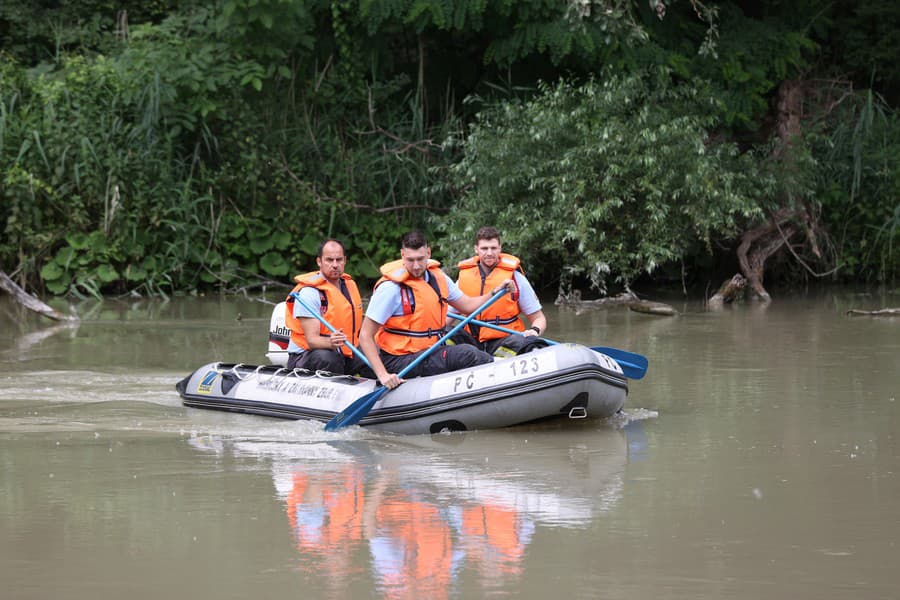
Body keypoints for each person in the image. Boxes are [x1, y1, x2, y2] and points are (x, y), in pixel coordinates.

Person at [359, 230, 516, 390]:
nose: (416, 266)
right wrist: (383, 375)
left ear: (428, 252)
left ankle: (499, 368)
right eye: (410, 260)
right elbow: (365, 335)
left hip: (430, 349)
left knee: (460, 334)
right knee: (466, 354)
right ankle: (504, 373)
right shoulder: (390, 289)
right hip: (399, 359)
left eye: (420, 259)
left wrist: (495, 292)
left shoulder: (438, 278)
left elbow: (468, 306)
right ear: (402, 255)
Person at [452, 226, 548, 357]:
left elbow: (539, 318)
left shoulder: (516, 278)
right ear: (476, 249)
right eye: (484, 248)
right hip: (471, 343)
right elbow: (446, 319)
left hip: (504, 342)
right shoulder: (463, 279)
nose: (489, 253)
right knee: (445, 333)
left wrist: (534, 331)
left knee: (529, 342)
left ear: (500, 248)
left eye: (493, 248)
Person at [284, 238, 373, 377]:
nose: (335, 265)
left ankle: (380, 390)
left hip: (343, 353)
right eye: (329, 260)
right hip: (307, 356)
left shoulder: (350, 285)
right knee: (328, 358)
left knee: (372, 353)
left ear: (345, 260)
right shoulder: (309, 292)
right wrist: (330, 342)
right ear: (319, 262)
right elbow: (312, 341)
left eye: (339, 260)